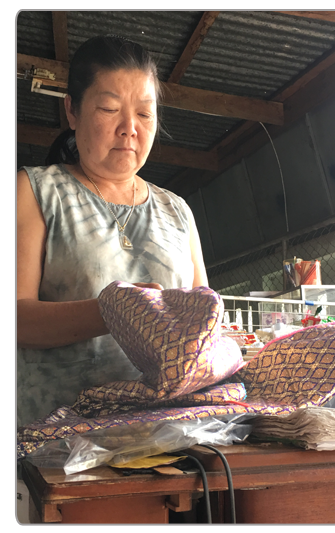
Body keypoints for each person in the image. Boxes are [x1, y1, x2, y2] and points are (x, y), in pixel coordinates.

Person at [16, 36, 210, 424]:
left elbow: (203, 318)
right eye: (109, 109)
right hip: (59, 437)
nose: (129, 129)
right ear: (72, 110)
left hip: (168, 432)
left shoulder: (178, 211)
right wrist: (115, 311)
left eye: (144, 113)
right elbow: (13, 316)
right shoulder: (35, 190)